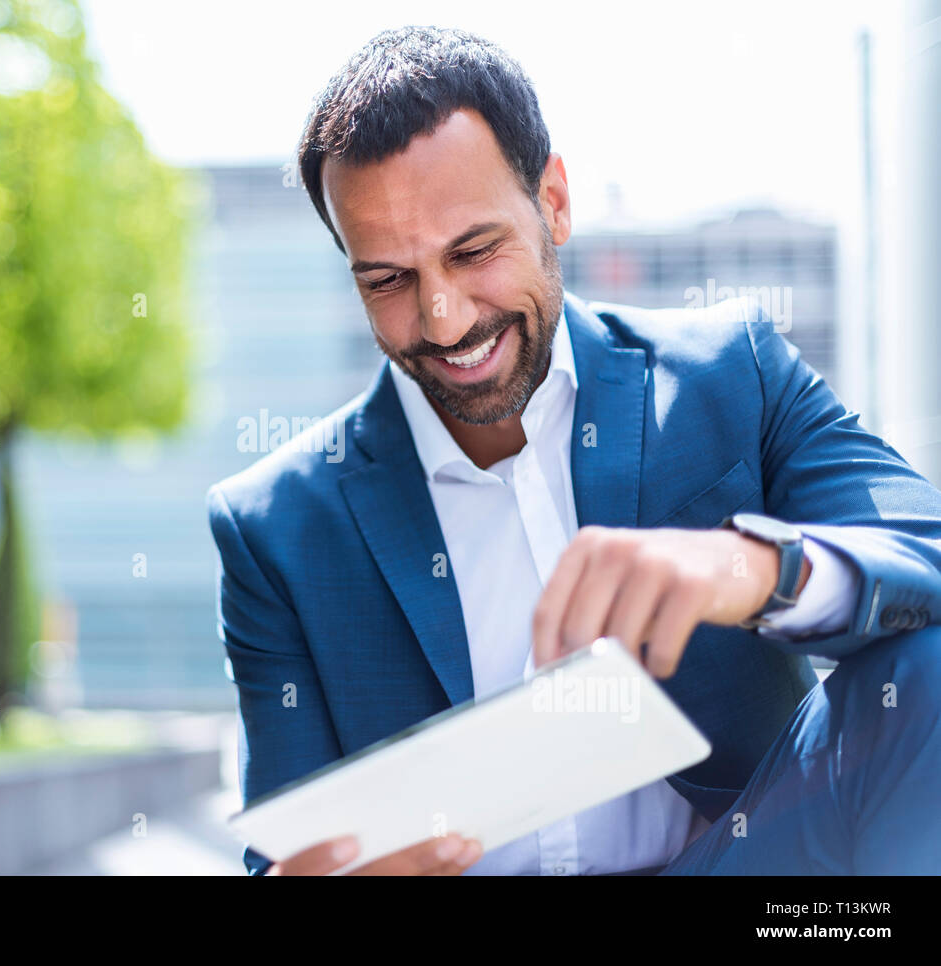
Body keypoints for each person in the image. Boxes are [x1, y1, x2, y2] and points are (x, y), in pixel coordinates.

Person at [206, 25, 941, 875]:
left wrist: (749, 570)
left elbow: (925, 550)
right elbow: (283, 854)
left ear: (553, 200)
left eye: (474, 251)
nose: (444, 318)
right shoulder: (274, 526)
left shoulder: (729, 375)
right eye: (388, 280)